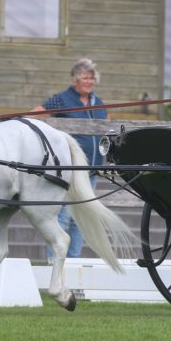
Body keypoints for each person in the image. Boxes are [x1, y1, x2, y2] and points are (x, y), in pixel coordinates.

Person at [32, 58, 107, 261]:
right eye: (85, 77)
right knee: (63, 217)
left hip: (90, 172)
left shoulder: (98, 103)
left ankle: (73, 264)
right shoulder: (62, 99)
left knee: (81, 219)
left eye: (92, 78)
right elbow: (36, 115)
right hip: (68, 170)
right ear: (76, 79)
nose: (89, 81)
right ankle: (55, 263)